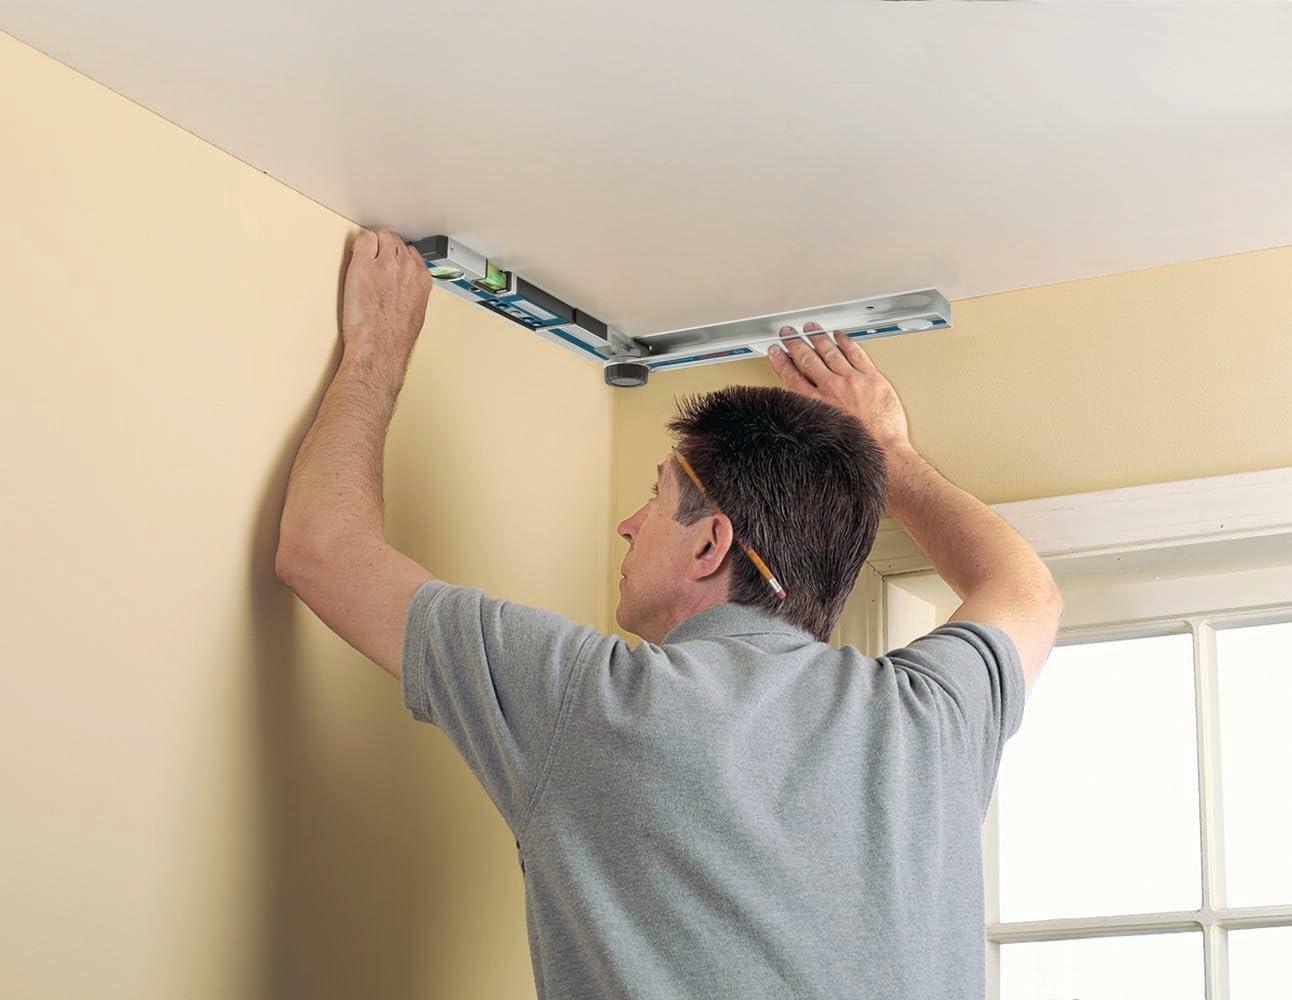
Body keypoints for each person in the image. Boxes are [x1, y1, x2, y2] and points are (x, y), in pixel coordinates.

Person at [276, 227, 1064, 999]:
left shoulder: (597, 704)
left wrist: (377, 352)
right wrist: (893, 459)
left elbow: (322, 552)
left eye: (654, 499)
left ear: (710, 545)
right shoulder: (930, 720)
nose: (627, 525)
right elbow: (1025, 589)